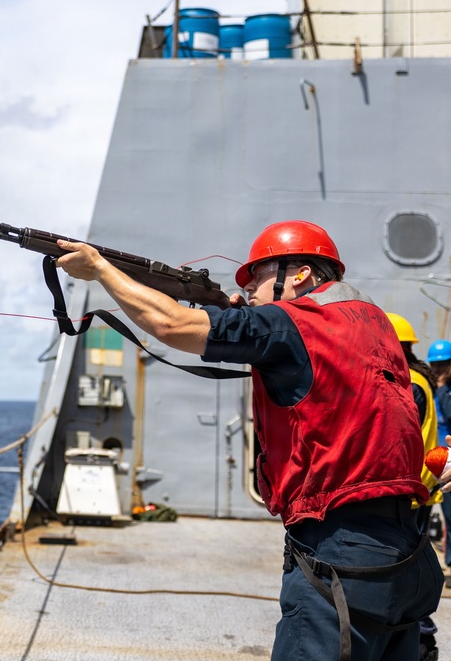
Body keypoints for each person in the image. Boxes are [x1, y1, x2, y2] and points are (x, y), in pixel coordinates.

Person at [56, 220, 442, 661]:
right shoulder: (375, 326)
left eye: (258, 276)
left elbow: (169, 324)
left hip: (341, 552)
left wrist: (100, 269)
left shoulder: (295, 324)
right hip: (406, 555)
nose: (251, 288)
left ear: (298, 275)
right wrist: (251, 317)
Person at [386, 313, 442, 661]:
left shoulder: (410, 384)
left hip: (409, 494)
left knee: (403, 574)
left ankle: (420, 644)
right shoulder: (419, 378)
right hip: (417, 489)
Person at [428, 339, 451, 570]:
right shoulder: (427, 388)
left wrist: (444, 387)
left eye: (443, 364)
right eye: (435, 364)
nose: (438, 369)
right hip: (432, 460)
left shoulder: (445, 391)